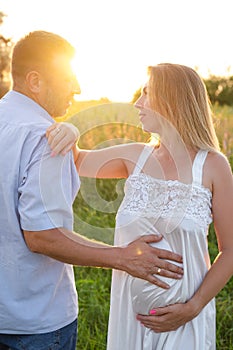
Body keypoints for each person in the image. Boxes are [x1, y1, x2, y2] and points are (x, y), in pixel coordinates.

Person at [0, 32, 184, 350]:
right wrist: (122, 258)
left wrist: (72, 132)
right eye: (69, 77)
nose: (78, 88)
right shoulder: (45, 140)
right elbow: (42, 237)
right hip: (33, 321)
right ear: (35, 81)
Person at [48, 63, 233, 349]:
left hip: (184, 321)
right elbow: (76, 159)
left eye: (147, 93)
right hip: (129, 317)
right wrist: (71, 129)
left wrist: (193, 307)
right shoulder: (135, 156)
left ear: (173, 100)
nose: (138, 103)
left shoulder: (213, 166)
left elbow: (230, 249)